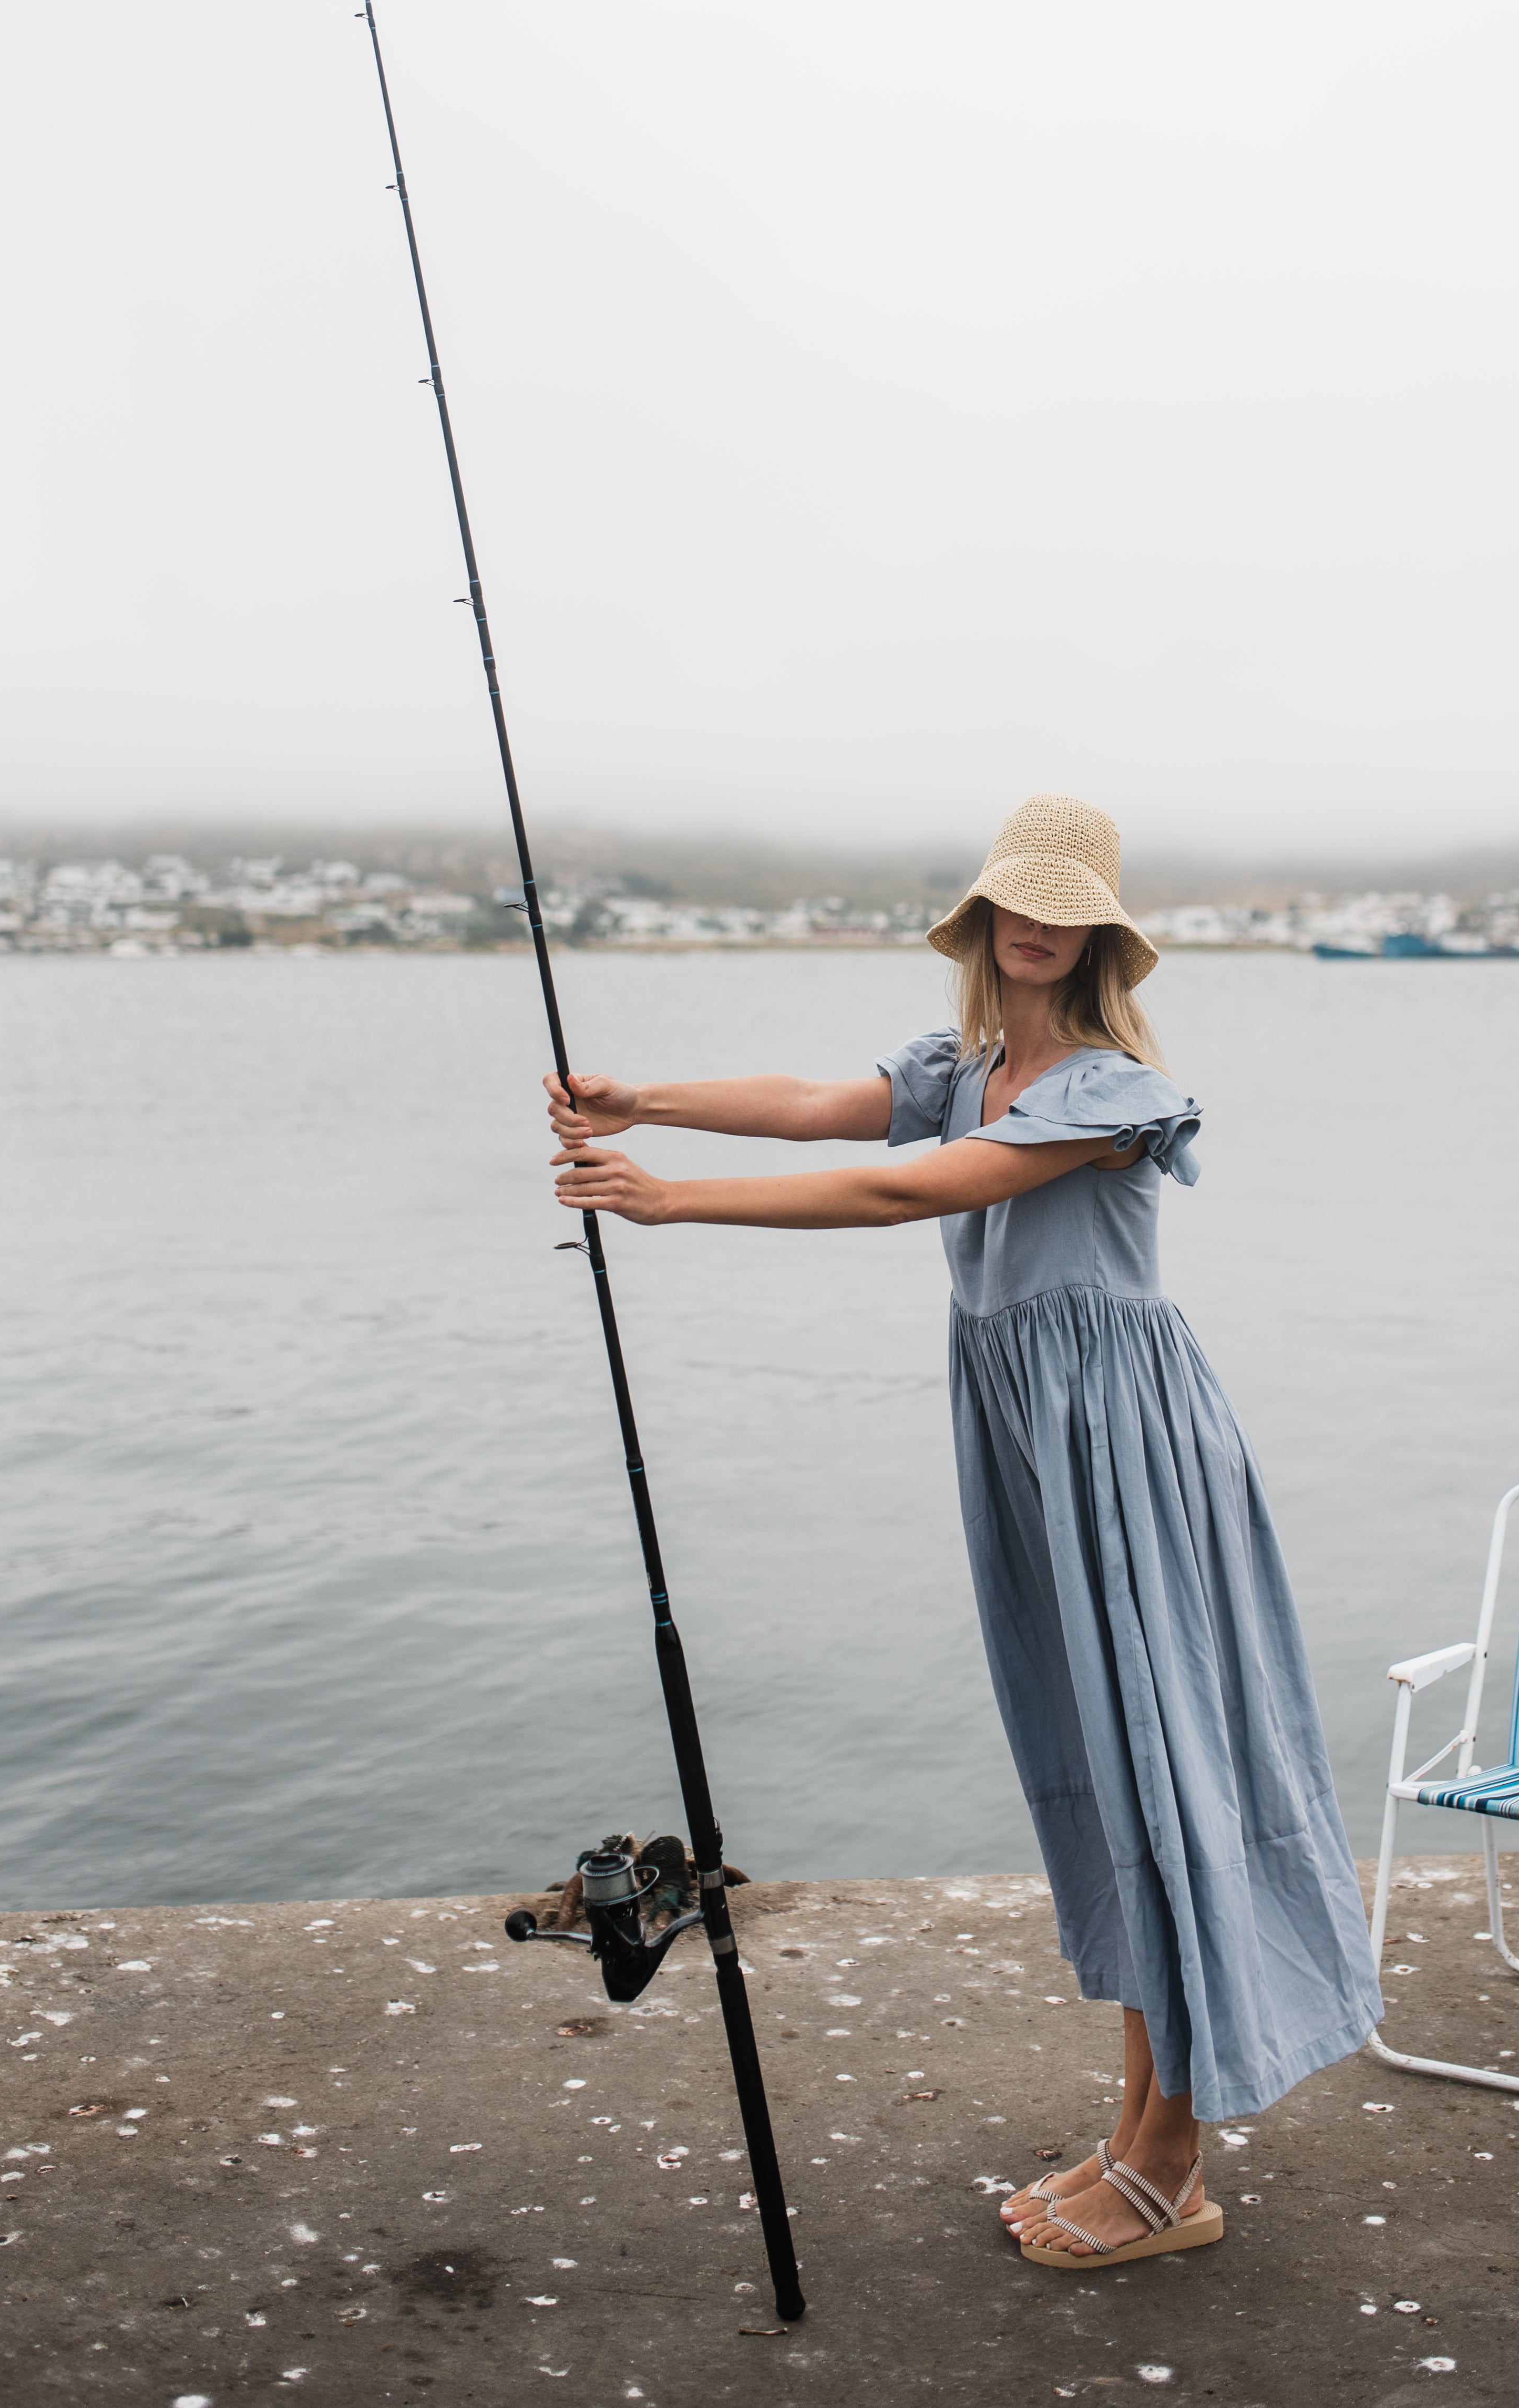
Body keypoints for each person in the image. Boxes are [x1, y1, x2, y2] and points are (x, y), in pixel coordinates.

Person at [545, 794, 1382, 2269]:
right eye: (1019, 899)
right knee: (1106, 1772)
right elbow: (819, 1105)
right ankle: (1138, 2122)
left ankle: (1172, 2159)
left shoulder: (1114, 1089)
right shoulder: (969, 1063)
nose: (1038, 924)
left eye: (1067, 908)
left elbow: (898, 1188)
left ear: (1101, 936)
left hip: (1120, 1447)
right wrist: (643, 1099)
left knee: (1163, 1758)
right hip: (1023, 1439)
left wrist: (671, 1204)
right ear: (987, 915)